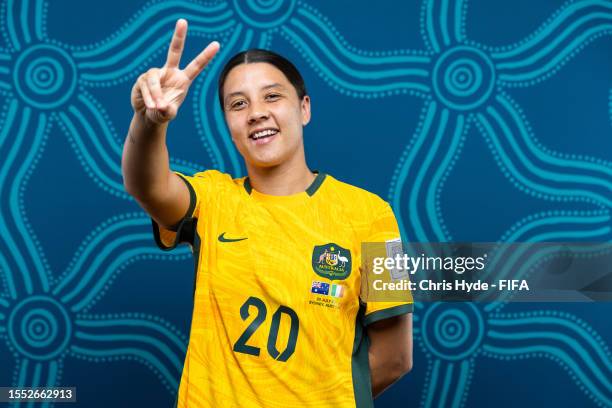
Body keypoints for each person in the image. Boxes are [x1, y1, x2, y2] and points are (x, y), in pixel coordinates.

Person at [122, 18, 413, 408]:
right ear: (228, 124)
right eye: (238, 104)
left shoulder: (374, 215)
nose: (256, 113)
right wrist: (149, 121)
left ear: (304, 108)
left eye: (272, 97)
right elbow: (148, 185)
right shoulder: (213, 199)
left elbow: (396, 357)